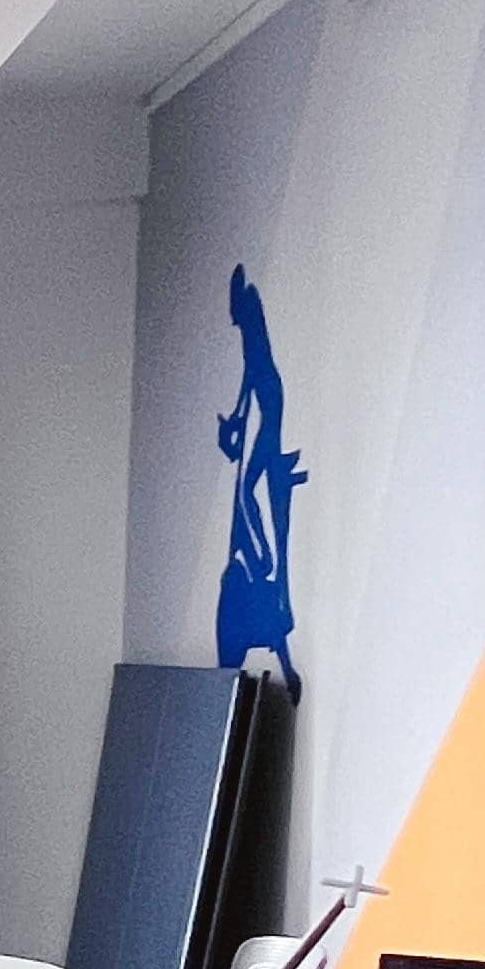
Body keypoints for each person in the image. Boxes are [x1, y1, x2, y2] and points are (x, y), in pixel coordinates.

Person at [213, 264, 303, 698]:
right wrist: (235, 417)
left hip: (269, 406)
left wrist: (243, 420)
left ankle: (262, 554)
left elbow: (257, 374)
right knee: (247, 489)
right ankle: (261, 554)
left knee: (248, 488)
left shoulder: (253, 329)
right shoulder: (250, 331)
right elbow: (250, 376)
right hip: (265, 404)